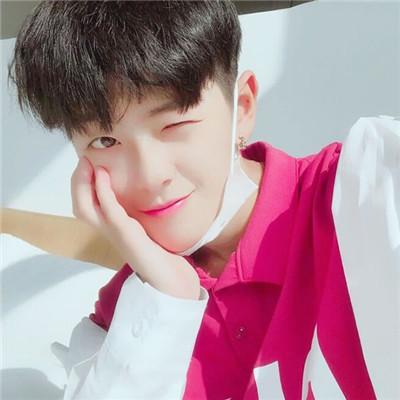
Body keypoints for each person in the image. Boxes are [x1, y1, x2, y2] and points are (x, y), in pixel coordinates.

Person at [6, 1, 399, 399]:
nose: (150, 176)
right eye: (105, 141)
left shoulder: (366, 191)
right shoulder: (123, 326)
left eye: (174, 123)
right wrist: (169, 299)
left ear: (242, 107)